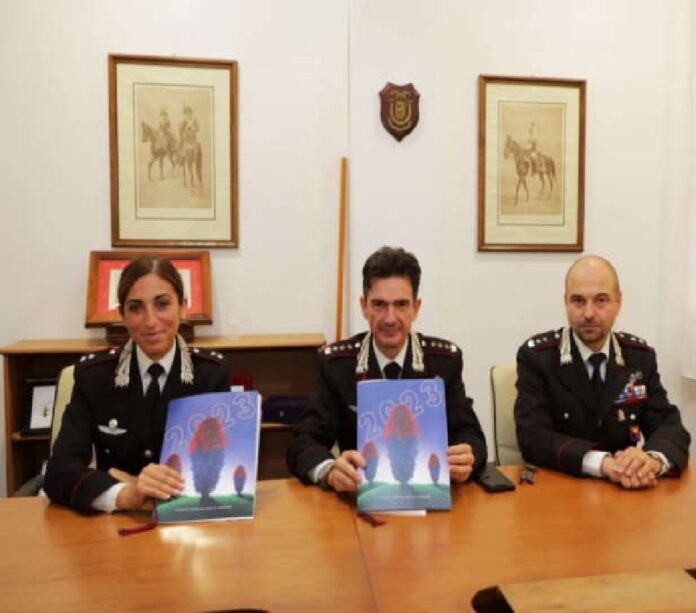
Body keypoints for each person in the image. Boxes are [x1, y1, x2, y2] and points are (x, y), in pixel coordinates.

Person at [287, 246, 487, 491]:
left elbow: (471, 435)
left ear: (416, 308)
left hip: (430, 499)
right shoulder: (337, 365)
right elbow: (303, 441)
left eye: (401, 305)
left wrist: (468, 457)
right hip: (359, 499)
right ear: (364, 306)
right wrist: (329, 471)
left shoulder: (444, 362)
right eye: (379, 304)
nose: (390, 318)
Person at [44, 257, 229, 513]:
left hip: (185, 518)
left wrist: (140, 483)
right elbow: (59, 471)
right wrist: (126, 493)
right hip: (117, 522)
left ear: (183, 308)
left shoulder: (211, 375)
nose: (150, 321)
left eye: (162, 304)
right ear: (122, 315)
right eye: (136, 308)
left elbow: (219, 467)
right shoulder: (95, 377)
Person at [514, 255, 690, 489]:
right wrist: (604, 464)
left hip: (626, 491)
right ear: (565, 302)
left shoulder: (639, 357)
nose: (589, 313)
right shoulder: (538, 358)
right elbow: (533, 438)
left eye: (601, 300)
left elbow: (669, 426)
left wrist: (651, 461)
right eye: (578, 301)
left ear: (619, 301)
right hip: (561, 490)